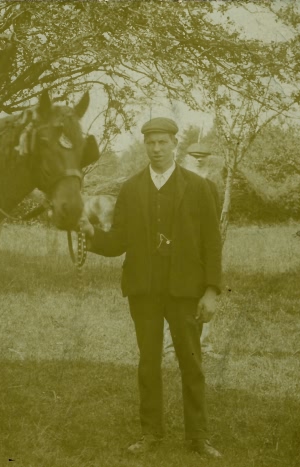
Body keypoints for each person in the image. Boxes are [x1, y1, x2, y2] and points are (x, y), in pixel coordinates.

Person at [79, 117, 223, 458]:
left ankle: (198, 437)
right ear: (145, 145)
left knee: (191, 362)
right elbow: (118, 242)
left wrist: (212, 290)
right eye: (150, 143)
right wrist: (89, 232)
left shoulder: (200, 188)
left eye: (162, 142)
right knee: (148, 362)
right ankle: (150, 434)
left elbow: (212, 244)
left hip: (186, 290)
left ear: (175, 144)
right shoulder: (131, 188)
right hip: (144, 290)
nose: (156, 149)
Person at [164, 143, 223, 358]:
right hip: (175, 254)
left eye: (203, 156)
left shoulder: (211, 187)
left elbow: (213, 227)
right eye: (195, 156)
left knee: (205, 298)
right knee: (171, 300)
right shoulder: (172, 185)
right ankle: (170, 348)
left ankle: (204, 346)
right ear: (185, 158)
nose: (199, 160)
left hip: (202, 255)